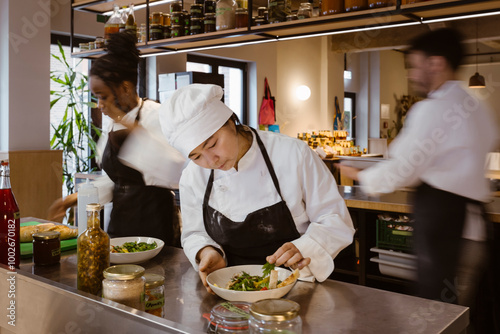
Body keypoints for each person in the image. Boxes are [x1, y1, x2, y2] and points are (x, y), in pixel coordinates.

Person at [338, 28, 499, 332]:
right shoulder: (478, 106)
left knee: (436, 316)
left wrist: (361, 175)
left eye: (414, 64)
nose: (412, 74)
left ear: (436, 63)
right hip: (473, 229)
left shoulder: (432, 109)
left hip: (446, 229)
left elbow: (403, 170)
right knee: (461, 311)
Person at [157, 83, 355, 293]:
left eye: (212, 144)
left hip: (298, 284)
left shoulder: (292, 154)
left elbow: (334, 218)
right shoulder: (192, 176)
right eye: (196, 156)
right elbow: (194, 232)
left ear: (231, 122)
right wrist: (206, 251)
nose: (210, 160)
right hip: (232, 287)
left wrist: (304, 248)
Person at [48, 32, 186, 246]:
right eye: (96, 98)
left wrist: (128, 124)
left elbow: (174, 170)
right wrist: (71, 200)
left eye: (103, 96)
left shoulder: (156, 114)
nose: (100, 105)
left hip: (156, 227)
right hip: (121, 228)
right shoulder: (113, 123)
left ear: (125, 88)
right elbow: (116, 180)